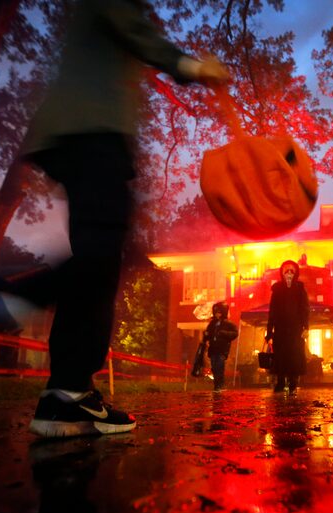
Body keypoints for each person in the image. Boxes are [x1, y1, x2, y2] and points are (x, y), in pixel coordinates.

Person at [18, 0, 230, 438]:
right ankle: (11, 298)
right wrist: (188, 65)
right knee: (102, 257)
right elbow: (132, 27)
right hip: (91, 136)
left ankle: (66, 394)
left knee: (101, 257)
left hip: (78, 137)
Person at [265, 260, 309, 396]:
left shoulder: (300, 289)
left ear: (295, 273)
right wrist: (269, 330)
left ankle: (293, 382)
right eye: (286, 270)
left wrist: (306, 327)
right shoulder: (277, 289)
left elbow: (305, 309)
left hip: (296, 329)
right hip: (281, 328)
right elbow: (272, 311)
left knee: (295, 355)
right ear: (282, 273)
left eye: (292, 270)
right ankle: (280, 381)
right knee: (281, 355)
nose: (289, 273)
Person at [203, 302, 238, 393]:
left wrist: (223, 333)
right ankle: (216, 384)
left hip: (222, 349)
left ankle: (220, 384)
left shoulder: (228, 323)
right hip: (213, 349)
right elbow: (207, 333)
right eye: (216, 312)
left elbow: (235, 333)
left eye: (219, 312)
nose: (217, 314)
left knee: (219, 366)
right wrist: (206, 335)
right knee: (214, 367)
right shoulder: (212, 323)